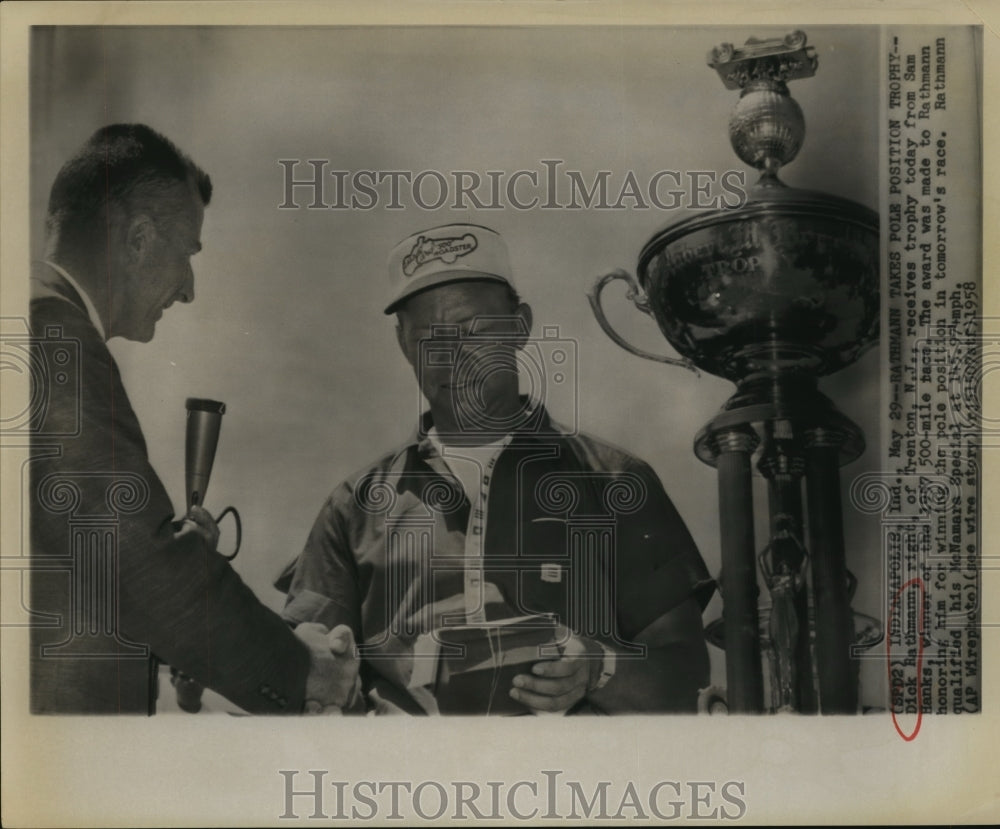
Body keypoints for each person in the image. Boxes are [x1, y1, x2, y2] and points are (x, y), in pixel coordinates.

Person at [277, 222, 714, 715]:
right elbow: (305, 669)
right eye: (428, 338)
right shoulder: (353, 507)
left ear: (520, 326)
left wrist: (596, 668)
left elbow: (684, 678)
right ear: (403, 346)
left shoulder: (615, 481)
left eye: (474, 330)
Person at [29, 123, 358, 715]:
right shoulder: (54, 337)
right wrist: (297, 666)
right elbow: (139, 571)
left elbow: (74, 574)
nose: (189, 289)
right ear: (138, 239)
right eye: (188, 254)